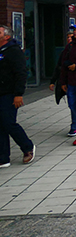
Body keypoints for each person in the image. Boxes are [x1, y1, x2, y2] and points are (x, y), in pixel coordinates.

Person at [0, 25, 35, 167]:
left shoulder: (13, 51)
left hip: (9, 93)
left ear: (6, 36)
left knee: (8, 123)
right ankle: (3, 157)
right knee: (0, 125)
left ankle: (27, 147)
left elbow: (21, 73)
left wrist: (18, 94)